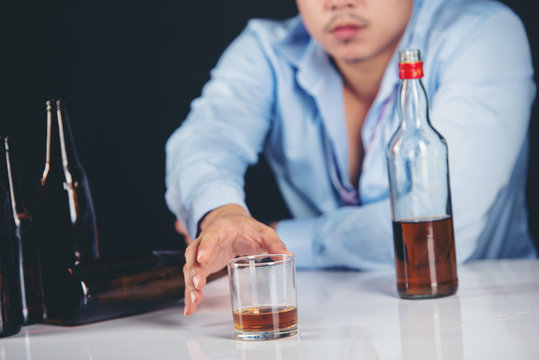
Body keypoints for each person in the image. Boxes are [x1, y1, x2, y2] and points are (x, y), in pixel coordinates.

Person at [165, 0, 537, 315]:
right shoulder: (267, 48)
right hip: (332, 312)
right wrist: (222, 216)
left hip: (484, 307)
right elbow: (207, 137)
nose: (339, 3)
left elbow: (440, 230)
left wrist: (274, 241)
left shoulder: (484, 33)